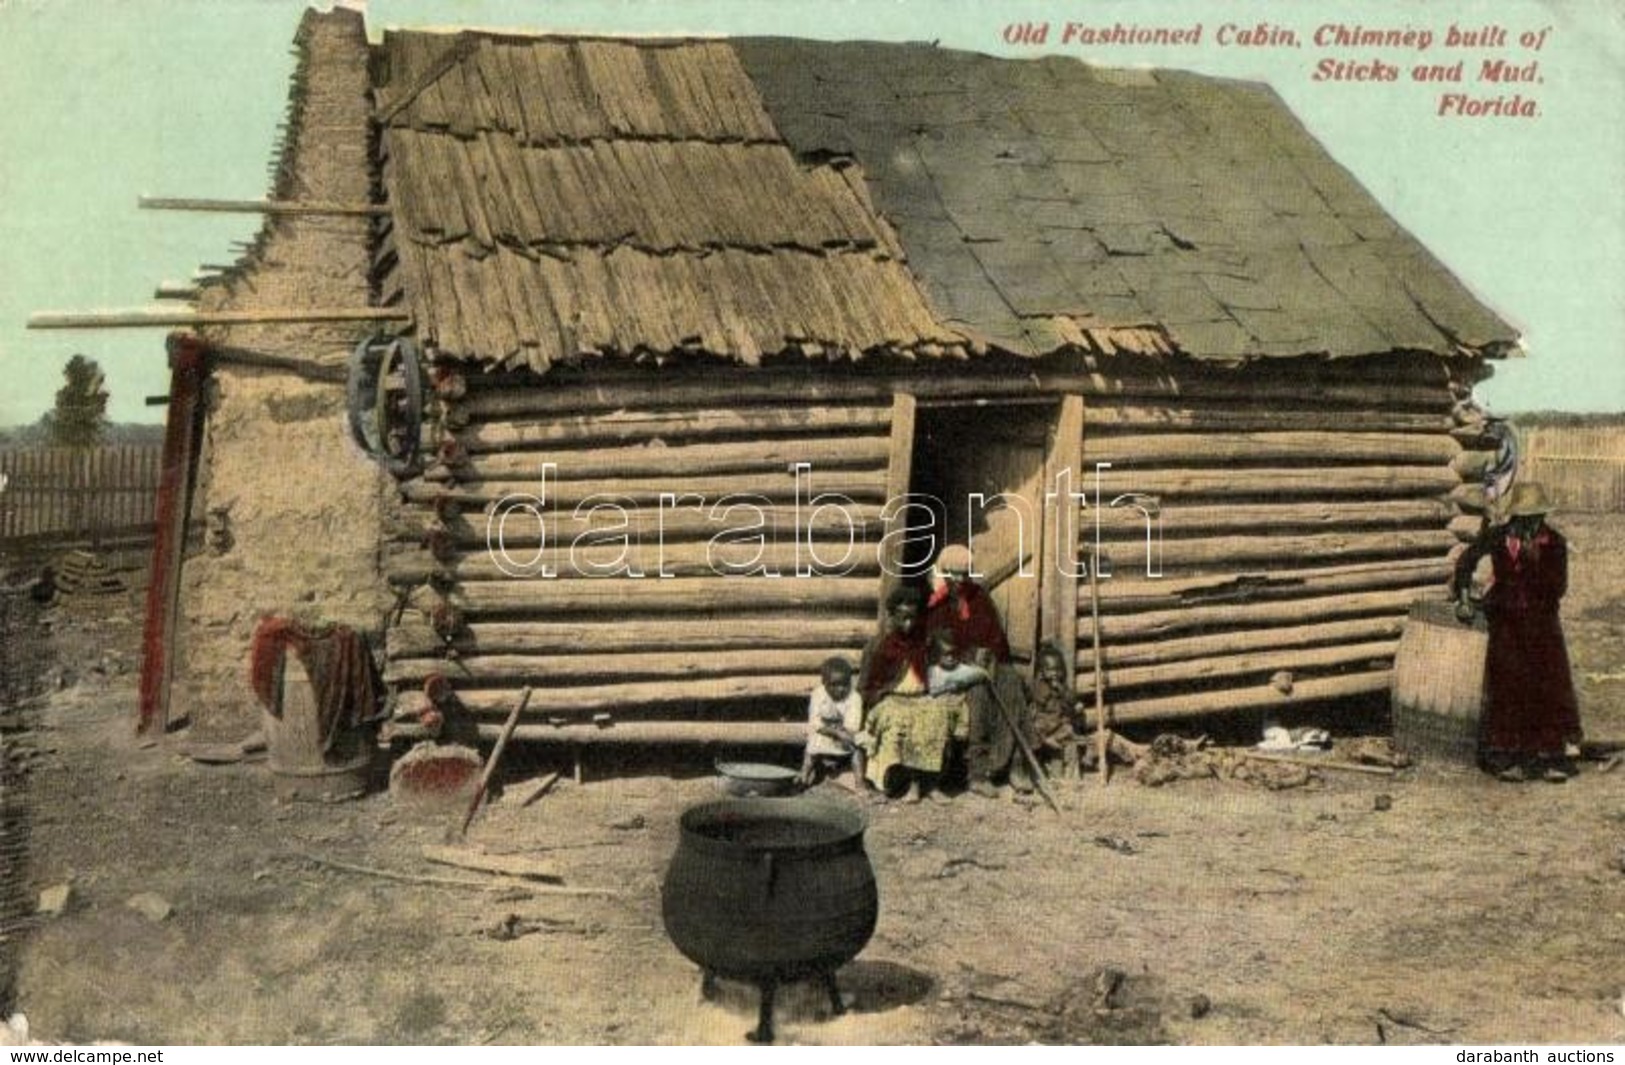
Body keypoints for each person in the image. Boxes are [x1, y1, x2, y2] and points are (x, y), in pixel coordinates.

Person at [1453, 482, 1583, 782]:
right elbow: (1466, 561)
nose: (1530, 524)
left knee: (1547, 687)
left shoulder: (1554, 543)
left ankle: (1549, 757)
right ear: (1514, 517)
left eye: (1535, 517)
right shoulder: (1498, 538)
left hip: (1542, 628)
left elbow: (1558, 587)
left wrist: (1535, 562)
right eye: (1524, 518)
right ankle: (1507, 758)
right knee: (1508, 688)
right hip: (1506, 626)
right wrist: (1463, 598)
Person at [923, 545, 1032, 797]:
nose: (960, 580)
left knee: (1011, 681)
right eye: (954, 574)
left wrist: (990, 654)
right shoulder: (936, 603)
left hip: (984, 662)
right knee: (978, 692)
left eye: (965, 574)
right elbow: (935, 645)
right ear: (944, 572)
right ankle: (978, 772)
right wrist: (966, 657)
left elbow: (995, 635)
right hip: (952, 668)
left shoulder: (979, 597)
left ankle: (1015, 765)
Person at [859, 585, 965, 804]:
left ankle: (931, 783)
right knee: (901, 718)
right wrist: (879, 696)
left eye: (913, 618)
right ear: (892, 616)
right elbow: (865, 686)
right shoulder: (880, 646)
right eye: (903, 618)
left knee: (938, 714)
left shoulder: (923, 642)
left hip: (920, 698)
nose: (909, 624)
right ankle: (909, 784)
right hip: (891, 699)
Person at [798, 657, 867, 789]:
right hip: (826, 733)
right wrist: (835, 732)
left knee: (858, 746)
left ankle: (860, 782)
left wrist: (843, 734)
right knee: (812, 741)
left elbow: (852, 726)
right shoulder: (818, 694)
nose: (840, 689)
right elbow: (815, 723)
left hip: (845, 735)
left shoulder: (854, 697)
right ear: (824, 682)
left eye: (845, 684)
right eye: (834, 685)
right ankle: (804, 775)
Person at [1029, 642, 1084, 775]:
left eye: (1057, 670)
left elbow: (1073, 701)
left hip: (1059, 728)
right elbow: (1037, 703)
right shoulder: (1038, 686)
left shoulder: (1062, 687)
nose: (1054, 674)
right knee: (1034, 736)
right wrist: (1047, 689)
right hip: (1043, 730)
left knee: (1068, 738)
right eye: (1049, 670)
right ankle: (1039, 766)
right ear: (1041, 672)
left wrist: (1061, 690)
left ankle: (1065, 769)